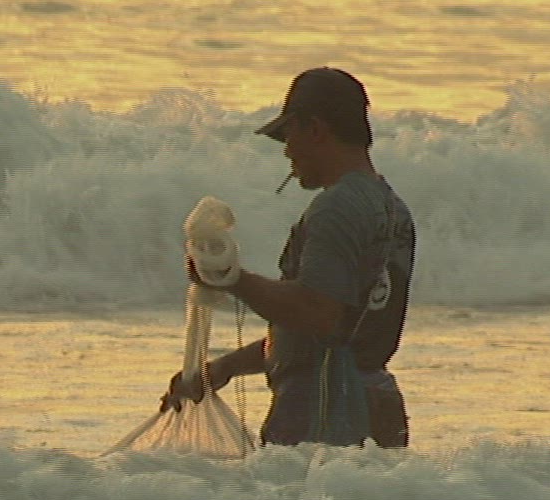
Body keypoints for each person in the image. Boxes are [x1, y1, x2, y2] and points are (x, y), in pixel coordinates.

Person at [164, 67, 415, 448]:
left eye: (288, 135)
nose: (286, 150)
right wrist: (225, 367)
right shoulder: (393, 208)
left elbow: (317, 313)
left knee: (291, 489)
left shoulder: (336, 208)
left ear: (315, 129)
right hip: (376, 402)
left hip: (323, 412)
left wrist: (231, 278)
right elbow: (337, 336)